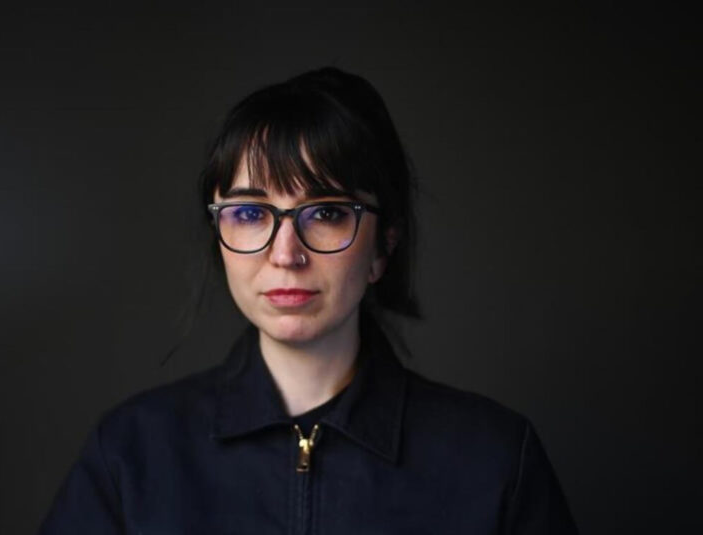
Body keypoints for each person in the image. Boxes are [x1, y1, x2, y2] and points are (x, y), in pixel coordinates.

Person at [38, 67, 578, 534]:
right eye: (250, 213)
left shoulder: (494, 459)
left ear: (383, 247)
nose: (285, 254)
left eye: (326, 213)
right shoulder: (131, 453)